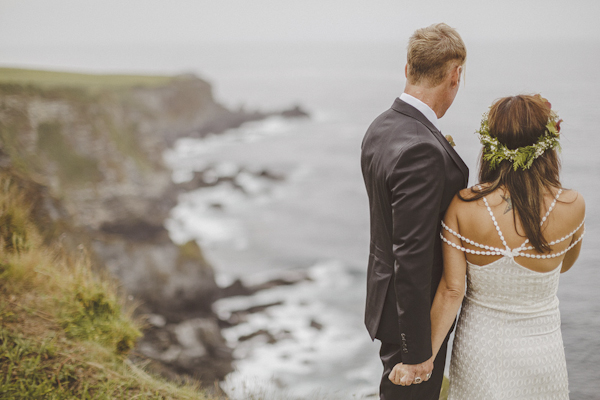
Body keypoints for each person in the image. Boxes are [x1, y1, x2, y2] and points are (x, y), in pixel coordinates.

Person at [423, 94, 585, 399]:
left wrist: (425, 359)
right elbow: (564, 264)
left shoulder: (463, 206)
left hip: (481, 349)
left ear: (491, 145)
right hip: (541, 350)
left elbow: (451, 291)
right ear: (548, 144)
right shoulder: (573, 205)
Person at [360, 23, 468, 399]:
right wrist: (418, 350)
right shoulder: (421, 148)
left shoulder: (381, 127)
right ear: (455, 75)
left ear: (408, 68)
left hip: (386, 301)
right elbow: (412, 252)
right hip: (414, 318)